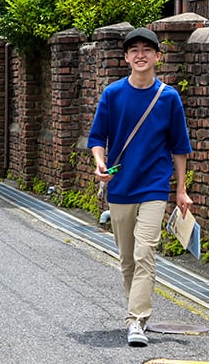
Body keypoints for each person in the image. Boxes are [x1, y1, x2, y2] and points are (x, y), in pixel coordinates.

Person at [87, 27, 193, 347]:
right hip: (120, 187)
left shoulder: (169, 98)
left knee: (146, 251)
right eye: (134, 50)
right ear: (126, 58)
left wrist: (181, 189)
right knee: (128, 259)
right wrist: (99, 163)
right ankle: (138, 312)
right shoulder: (113, 94)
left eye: (147, 49)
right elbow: (96, 139)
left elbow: (179, 147)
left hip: (154, 187)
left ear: (158, 57)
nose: (140, 55)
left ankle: (136, 320)